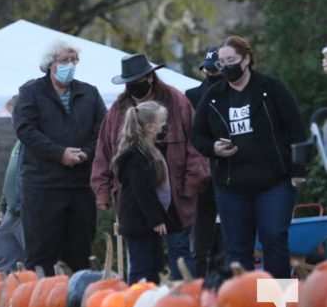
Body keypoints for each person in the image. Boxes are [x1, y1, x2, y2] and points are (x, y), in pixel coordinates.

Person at [192, 35, 307, 278]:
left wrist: (298, 170)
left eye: (231, 60)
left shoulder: (271, 89)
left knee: (273, 238)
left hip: (274, 181)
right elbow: (197, 136)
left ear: (246, 59)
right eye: (222, 63)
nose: (226, 67)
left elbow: (296, 129)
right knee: (237, 248)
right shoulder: (213, 96)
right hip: (231, 185)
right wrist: (214, 148)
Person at [91, 54, 208, 280]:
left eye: (137, 79)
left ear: (150, 78)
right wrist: (102, 191)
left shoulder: (176, 101)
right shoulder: (118, 110)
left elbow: (196, 147)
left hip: (175, 194)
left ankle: (183, 303)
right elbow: (103, 152)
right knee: (143, 261)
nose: (133, 85)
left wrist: (191, 185)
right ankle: (143, 305)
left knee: (180, 253)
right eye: (129, 81)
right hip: (136, 200)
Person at [13, 41, 107, 276]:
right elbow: (26, 130)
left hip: (79, 185)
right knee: (41, 253)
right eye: (65, 61)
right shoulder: (30, 93)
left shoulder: (90, 93)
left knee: (79, 252)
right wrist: (59, 153)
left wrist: (86, 152)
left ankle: (75, 304)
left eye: (74, 61)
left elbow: (103, 131)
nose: (71, 66)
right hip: (42, 186)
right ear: (50, 64)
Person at [114, 101, 177, 284]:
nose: (163, 126)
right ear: (150, 127)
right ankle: (133, 306)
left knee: (154, 266)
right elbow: (143, 191)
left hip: (146, 221)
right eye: (161, 122)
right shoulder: (136, 156)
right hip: (139, 222)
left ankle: (148, 306)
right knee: (142, 267)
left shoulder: (149, 151)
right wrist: (156, 218)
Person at [184, 47, 222, 277]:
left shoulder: (249, 93)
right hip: (204, 172)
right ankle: (203, 285)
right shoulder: (192, 96)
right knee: (202, 237)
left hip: (237, 173)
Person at [0, 95, 25, 273]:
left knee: (35, 259)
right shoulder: (19, 142)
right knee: (3, 257)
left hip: (26, 212)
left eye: (14, 115)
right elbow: (10, 176)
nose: (12, 120)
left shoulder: (32, 141)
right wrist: (3, 205)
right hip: (12, 211)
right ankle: (0, 290)